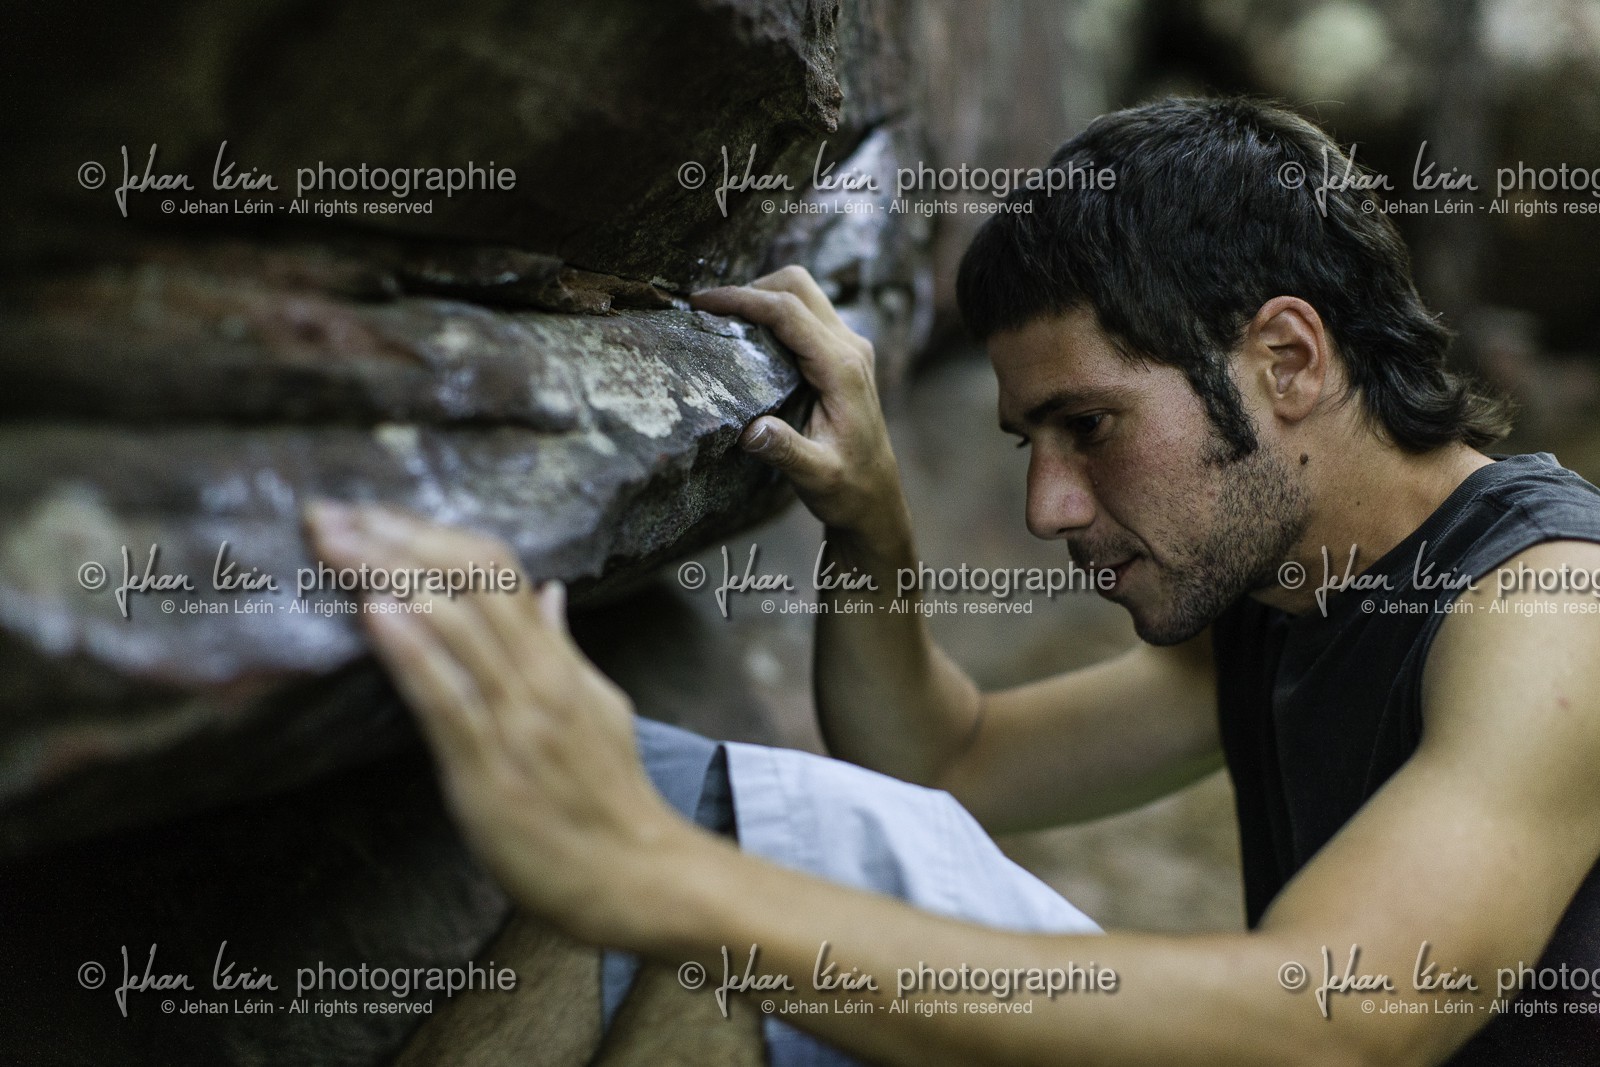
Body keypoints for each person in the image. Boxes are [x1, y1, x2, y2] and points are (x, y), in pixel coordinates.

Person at [303, 98, 1600, 1065]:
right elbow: (949, 764)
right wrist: (867, 525)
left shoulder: (1549, 612)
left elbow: (1337, 1026)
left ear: (1288, 358)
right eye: (1027, 447)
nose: (1048, 508)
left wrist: (656, 879)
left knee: (714, 873)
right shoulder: (1287, 590)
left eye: (1088, 426)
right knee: (706, 827)